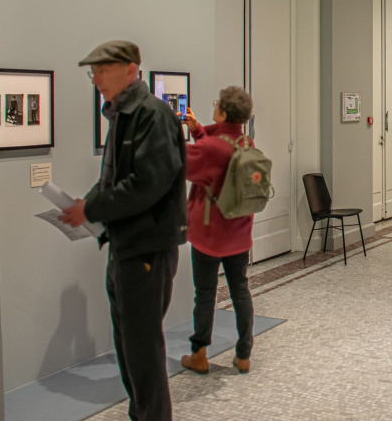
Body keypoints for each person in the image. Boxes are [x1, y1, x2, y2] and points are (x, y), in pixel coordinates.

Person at [59, 40, 187, 421]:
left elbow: (150, 182)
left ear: (130, 70)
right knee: (130, 344)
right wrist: (85, 204)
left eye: (102, 69)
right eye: (92, 72)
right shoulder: (121, 116)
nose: (96, 78)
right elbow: (113, 177)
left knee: (143, 348)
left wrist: (92, 207)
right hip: (124, 245)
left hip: (147, 248)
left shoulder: (152, 115)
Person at [179, 86, 255, 375]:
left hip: (209, 235)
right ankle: (244, 354)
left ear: (222, 112)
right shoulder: (246, 143)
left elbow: (184, 162)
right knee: (240, 290)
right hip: (240, 233)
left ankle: (198, 354)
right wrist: (198, 130)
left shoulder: (212, 148)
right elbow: (218, 146)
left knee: (206, 293)